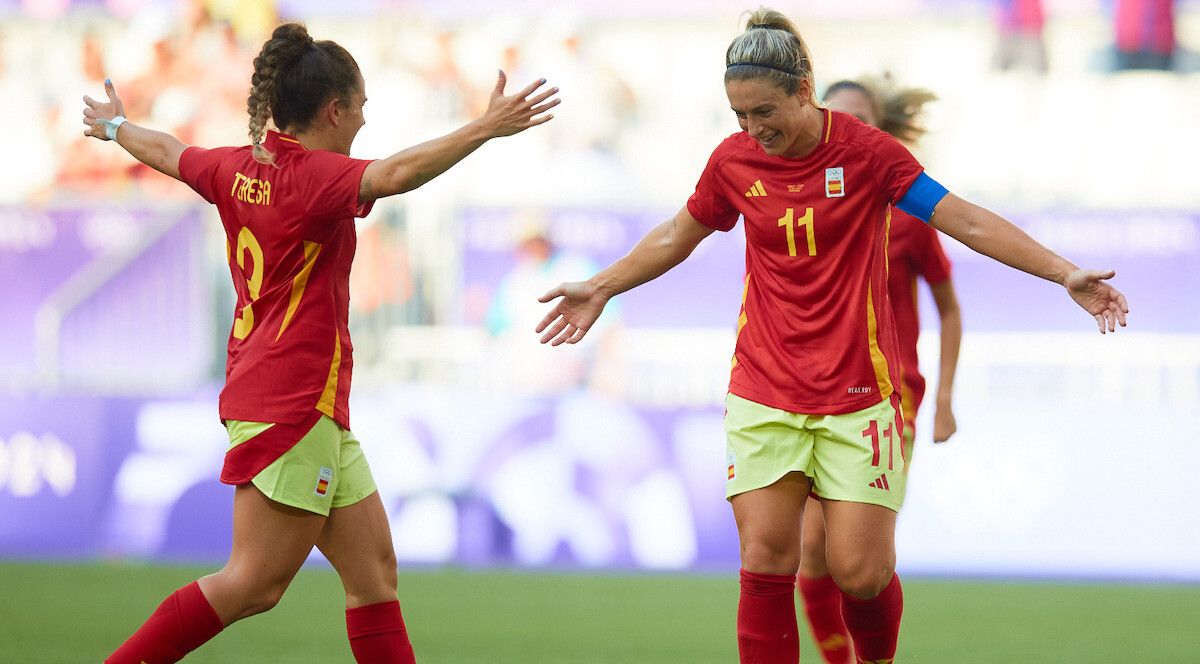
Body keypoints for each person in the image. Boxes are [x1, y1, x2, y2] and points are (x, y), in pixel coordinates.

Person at [535, 8, 1126, 664]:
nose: (754, 130)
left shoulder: (870, 155)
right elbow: (678, 234)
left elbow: (966, 221)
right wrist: (604, 283)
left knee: (859, 573)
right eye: (739, 116)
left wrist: (1063, 272)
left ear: (802, 89)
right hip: (762, 389)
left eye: (765, 111)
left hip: (857, 396)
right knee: (767, 559)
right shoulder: (732, 162)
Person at [84, 22, 558, 664]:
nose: (364, 119)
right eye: (360, 107)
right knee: (251, 584)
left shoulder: (234, 167)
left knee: (374, 578)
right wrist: (483, 127)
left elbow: (169, 151)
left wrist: (116, 129)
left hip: (301, 400)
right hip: (292, 401)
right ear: (333, 109)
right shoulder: (314, 179)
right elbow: (392, 175)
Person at [794, 77, 962, 664]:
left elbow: (947, 306)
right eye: (834, 117)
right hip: (812, 395)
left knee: (857, 564)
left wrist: (942, 398)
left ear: (881, 130)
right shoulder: (799, 204)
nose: (845, 129)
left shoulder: (909, 215)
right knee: (809, 551)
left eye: (860, 119)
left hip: (891, 399)